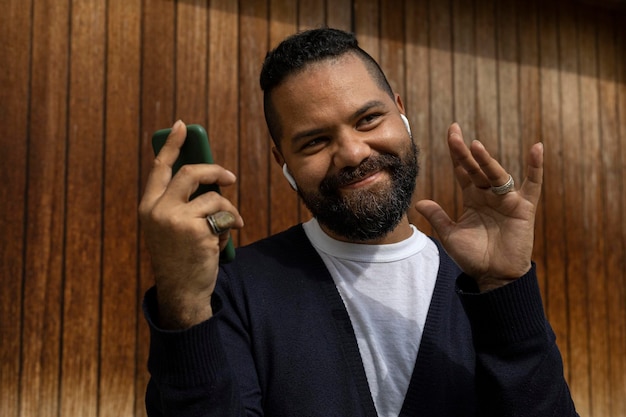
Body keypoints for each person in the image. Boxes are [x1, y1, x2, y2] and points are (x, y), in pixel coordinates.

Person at [139, 28, 578, 416]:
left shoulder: (481, 284)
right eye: (315, 141)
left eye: (368, 119)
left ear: (401, 112)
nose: (353, 153)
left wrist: (505, 288)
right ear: (283, 161)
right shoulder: (235, 290)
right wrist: (183, 303)